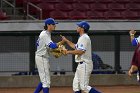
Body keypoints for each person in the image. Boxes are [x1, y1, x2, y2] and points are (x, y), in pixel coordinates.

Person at [62, 21, 101, 93]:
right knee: (76, 86)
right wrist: (66, 41)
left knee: (84, 87)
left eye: (78, 26)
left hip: (85, 64)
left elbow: (80, 51)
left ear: (82, 28)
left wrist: (68, 52)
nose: (77, 27)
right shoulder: (82, 37)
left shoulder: (85, 38)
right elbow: (75, 46)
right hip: (81, 65)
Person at [34, 18, 64, 93]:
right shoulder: (44, 34)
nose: (55, 26)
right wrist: (62, 42)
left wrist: (53, 50)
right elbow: (52, 46)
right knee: (46, 82)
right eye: (53, 24)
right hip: (42, 58)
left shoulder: (46, 33)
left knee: (44, 80)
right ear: (48, 25)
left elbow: (47, 47)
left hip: (42, 57)